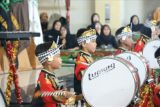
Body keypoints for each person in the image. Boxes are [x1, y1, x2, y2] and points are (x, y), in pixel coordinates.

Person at [32, 41, 81, 107]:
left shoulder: (50, 76)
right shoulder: (45, 79)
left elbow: (60, 98)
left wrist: (75, 98)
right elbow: (54, 97)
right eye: (58, 56)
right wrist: (76, 98)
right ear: (49, 60)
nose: (61, 59)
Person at [74, 28, 97, 106]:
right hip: (83, 99)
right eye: (93, 41)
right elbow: (86, 78)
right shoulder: (81, 59)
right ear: (83, 44)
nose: (96, 44)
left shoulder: (88, 57)